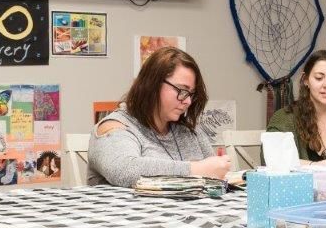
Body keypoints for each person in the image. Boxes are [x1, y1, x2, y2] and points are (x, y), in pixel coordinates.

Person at [87, 46, 230, 187]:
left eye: (191, 93)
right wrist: (196, 169)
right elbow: (124, 169)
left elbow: (215, 175)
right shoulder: (114, 125)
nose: (188, 101)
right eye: (182, 90)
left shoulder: (190, 131)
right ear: (152, 84)